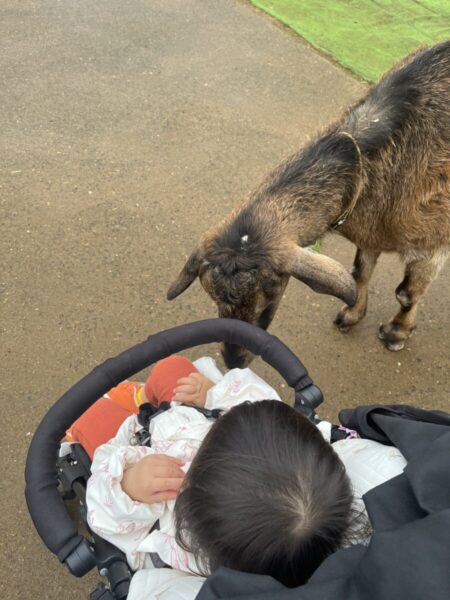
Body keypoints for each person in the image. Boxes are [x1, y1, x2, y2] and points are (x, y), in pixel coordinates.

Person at [84, 355, 407, 600]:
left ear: (192, 506)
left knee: (93, 416)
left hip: (144, 463)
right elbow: (260, 409)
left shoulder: (180, 539)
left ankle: (132, 407)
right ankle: (149, 398)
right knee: (173, 368)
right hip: (194, 417)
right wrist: (213, 397)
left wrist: (127, 486)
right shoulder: (317, 487)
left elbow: (106, 517)